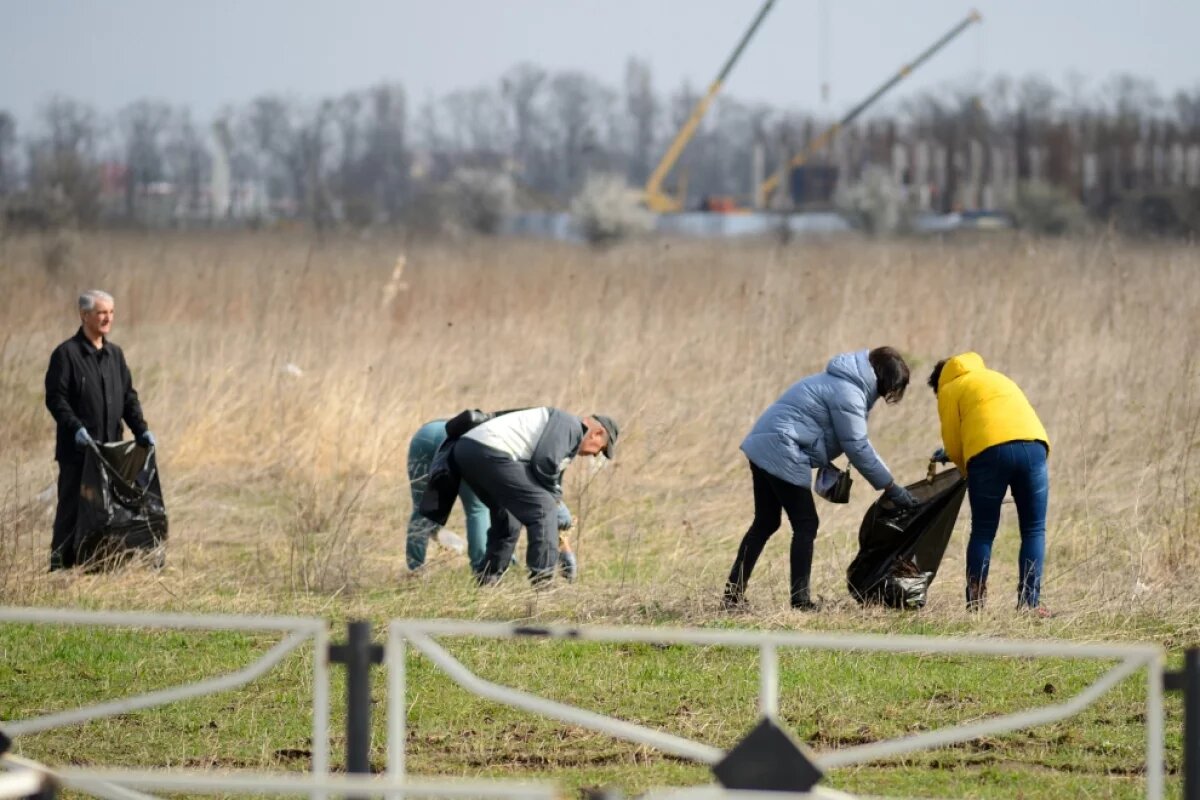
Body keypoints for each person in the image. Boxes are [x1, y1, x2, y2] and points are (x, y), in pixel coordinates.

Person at [724, 347, 918, 611]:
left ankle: (732, 595)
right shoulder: (849, 393)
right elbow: (858, 447)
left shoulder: (841, 382)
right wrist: (891, 487)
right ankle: (800, 601)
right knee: (806, 524)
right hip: (782, 448)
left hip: (763, 445)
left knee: (766, 522)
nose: (889, 395)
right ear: (884, 379)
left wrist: (824, 460)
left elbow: (811, 424)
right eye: (892, 388)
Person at [928, 352, 1050, 613]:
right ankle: (1029, 604)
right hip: (1035, 446)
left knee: (983, 531)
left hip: (988, 455)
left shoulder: (949, 388)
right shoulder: (995, 377)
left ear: (939, 383)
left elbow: (953, 440)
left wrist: (963, 469)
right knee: (1034, 530)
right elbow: (1004, 423)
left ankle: (976, 605)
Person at [44, 290, 154, 571]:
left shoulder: (115, 355)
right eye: (101, 312)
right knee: (71, 511)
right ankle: (60, 569)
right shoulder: (66, 354)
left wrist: (141, 430)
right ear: (84, 315)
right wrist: (76, 429)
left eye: (111, 312)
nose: (108, 318)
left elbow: (128, 397)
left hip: (111, 453)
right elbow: (56, 399)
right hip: (78, 452)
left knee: (109, 511)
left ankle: (102, 566)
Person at [452, 408, 617, 585]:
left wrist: (564, 547)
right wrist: (556, 506)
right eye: (600, 450)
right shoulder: (571, 427)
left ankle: (487, 580)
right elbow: (544, 464)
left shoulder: (564, 434)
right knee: (543, 508)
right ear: (598, 433)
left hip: (468, 450)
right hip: (490, 450)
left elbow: (547, 483)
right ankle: (542, 585)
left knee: (509, 515)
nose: (594, 454)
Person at [407, 418, 578, 579]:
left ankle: (416, 571)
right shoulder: (552, 454)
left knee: (423, 508)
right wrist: (564, 549)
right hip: (465, 442)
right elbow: (544, 505)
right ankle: (481, 568)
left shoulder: (534, 431)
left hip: (428, 433)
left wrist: (564, 545)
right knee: (477, 508)